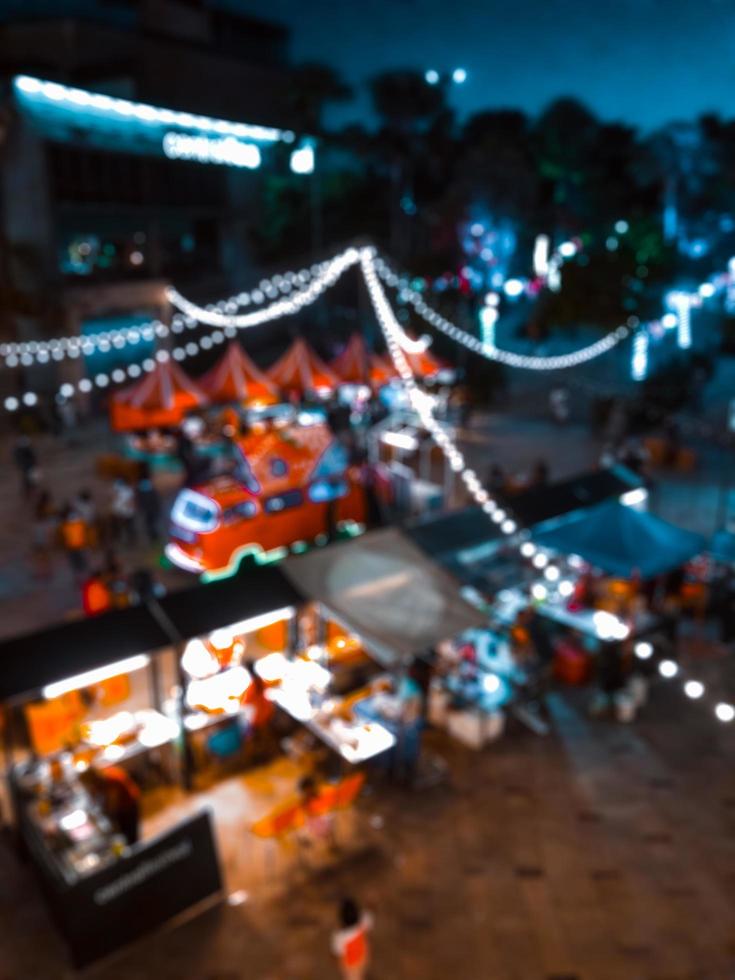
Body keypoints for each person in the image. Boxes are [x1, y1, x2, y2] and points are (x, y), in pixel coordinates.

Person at [81, 765, 141, 846]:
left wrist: (104, 813)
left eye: (87, 784)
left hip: (128, 807)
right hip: (122, 809)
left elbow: (112, 805)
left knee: (131, 837)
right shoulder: (100, 783)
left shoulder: (110, 781)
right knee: (126, 837)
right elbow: (94, 800)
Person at [331, 897, 373, 980]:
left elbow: (337, 953)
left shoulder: (340, 936)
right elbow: (368, 918)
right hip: (363, 957)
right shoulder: (363, 921)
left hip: (350, 965)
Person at [59, 504, 89, 580]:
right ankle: (81, 577)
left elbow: (64, 537)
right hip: (79, 547)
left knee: (75, 564)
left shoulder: (66, 526)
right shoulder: (80, 524)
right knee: (80, 563)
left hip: (73, 547)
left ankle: (77, 577)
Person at [135, 463, 162, 544]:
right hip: (151, 507)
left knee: (149, 521)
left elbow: (139, 498)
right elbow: (155, 497)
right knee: (152, 521)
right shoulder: (150, 486)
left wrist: (140, 506)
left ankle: (152, 535)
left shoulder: (140, 486)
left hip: (147, 507)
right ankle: (153, 535)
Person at [110, 478, 137, 547]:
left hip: (126, 513)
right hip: (119, 513)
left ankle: (131, 541)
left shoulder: (127, 491)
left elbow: (131, 501)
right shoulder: (117, 490)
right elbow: (114, 500)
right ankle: (126, 541)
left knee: (128, 528)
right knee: (123, 528)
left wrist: (130, 506)